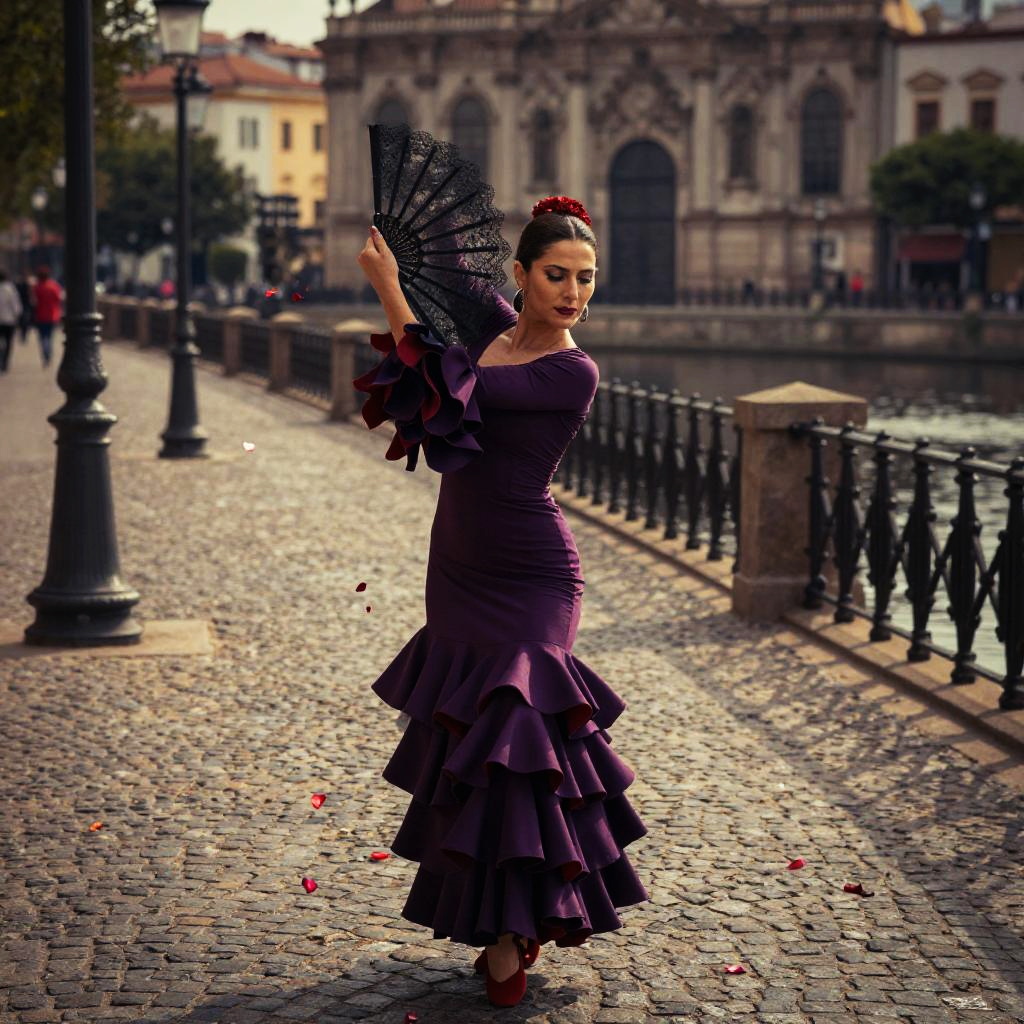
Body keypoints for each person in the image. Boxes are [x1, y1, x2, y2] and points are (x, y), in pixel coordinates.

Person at [353, 196, 649, 1009]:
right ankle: (501, 921)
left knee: (523, 728)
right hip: (458, 566)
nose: (574, 291)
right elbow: (445, 268)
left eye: (587, 279)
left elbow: (452, 397)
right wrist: (399, 247)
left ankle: (517, 930)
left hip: (534, 571)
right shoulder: (494, 329)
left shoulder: (570, 371)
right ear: (519, 276)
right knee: (471, 753)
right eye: (557, 274)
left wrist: (387, 290)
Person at [32, 266, 63, 368]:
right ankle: (48, 354)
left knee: (42, 338)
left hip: (40, 316)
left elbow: (33, 302)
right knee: (49, 337)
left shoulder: (37, 287)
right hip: (52, 316)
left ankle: (45, 354)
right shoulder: (54, 286)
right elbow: (59, 299)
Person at [0, 269, 23, 373]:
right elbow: (16, 306)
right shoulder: (10, 289)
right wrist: (17, 315)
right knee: (8, 342)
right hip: (9, 320)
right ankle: (5, 362)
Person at [14, 274, 34, 345]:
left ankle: (23, 335)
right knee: (25, 321)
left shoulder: (18, 286)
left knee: (23, 321)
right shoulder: (26, 287)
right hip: (25, 306)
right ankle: (23, 335)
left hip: (23, 305)